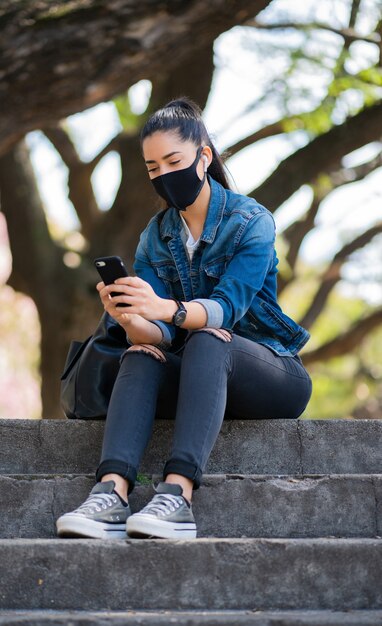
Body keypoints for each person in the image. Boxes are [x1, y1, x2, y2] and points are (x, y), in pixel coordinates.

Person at [56, 96, 312, 541]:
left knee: (210, 336)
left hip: (270, 374)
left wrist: (167, 308)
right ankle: (111, 494)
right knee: (140, 351)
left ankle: (177, 495)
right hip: (198, 378)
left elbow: (227, 309)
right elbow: (159, 332)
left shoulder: (251, 221)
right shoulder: (156, 236)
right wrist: (129, 314)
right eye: (153, 168)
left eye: (173, 160)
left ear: (203, 156)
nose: (164, 175)